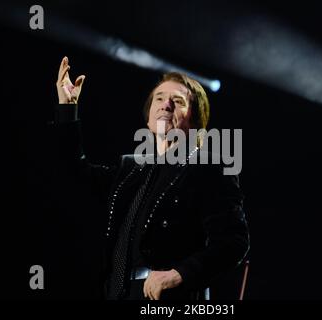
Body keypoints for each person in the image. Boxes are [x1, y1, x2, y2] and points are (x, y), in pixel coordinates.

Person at [52, 56, 249, 300]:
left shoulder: (208, 166)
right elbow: (73, 176)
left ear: (196, 121)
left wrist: (179, 274)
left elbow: (233, 242)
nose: (166, 105)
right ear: (148, 118)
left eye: (177, 101)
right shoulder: (131, 168)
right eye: (159, 98)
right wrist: (67, 108)